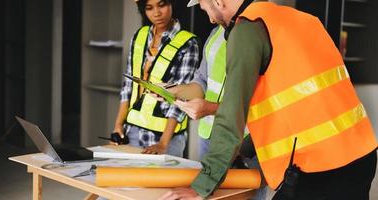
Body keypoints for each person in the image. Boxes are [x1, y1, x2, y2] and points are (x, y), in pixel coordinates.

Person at [159, 0, 377, 199]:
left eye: (206, 9)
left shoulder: (247, 29)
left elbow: (233, 113)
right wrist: (244, 149)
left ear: (218, 1)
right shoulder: (301, 19)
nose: (211, 19)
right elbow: (291, 102)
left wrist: (201, 187)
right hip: (361, 156)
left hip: (319, 168)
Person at [167, 24, 267, 200]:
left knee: (248, 196)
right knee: (205, 194)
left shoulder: (257, 35)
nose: (206, 12)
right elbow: (202, 83)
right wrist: (173, 91)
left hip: (245, 140)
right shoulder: (216, 33)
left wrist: (210, 108)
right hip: (209, 136)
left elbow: (261, 101)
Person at [112, 0, 200, 157]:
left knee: (163, 182)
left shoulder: (188, 43)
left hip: (166, 137)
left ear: (172, 4)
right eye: (149, 8)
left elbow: (182, 99)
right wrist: (118, 125)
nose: (157, 13)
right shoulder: (139, 36)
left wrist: (163, 143)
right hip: (132, 130)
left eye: (162, 5)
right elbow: (128, 86)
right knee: (131, 181)